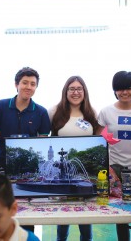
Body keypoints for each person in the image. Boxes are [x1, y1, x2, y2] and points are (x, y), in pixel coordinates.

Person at [97, 71, 131, 241]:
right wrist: (108, 169)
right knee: (120, 216)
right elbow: (101, 140)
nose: (124, 92)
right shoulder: (106, 112)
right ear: (115, 90)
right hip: (116, 170)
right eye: (119, 89)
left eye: (128, 88)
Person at [48, 75, 98, 241]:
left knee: (85, 222)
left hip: (81, 174)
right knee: (62, 222)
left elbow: (99, 139)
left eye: (79, 88)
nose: (75, 92)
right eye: (72, 89)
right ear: (66, 91)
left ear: (84, 91)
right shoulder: (54, 112)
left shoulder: (91, 113)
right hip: (62, 175)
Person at [0, 67, 51, 172]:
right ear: (16, 84)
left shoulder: (42, 112)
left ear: (36, 87)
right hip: (3, 166)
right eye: (25, 83)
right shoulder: (1, 106)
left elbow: (42, 143)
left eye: (33, 84)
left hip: (29, 165)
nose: (28, 87)